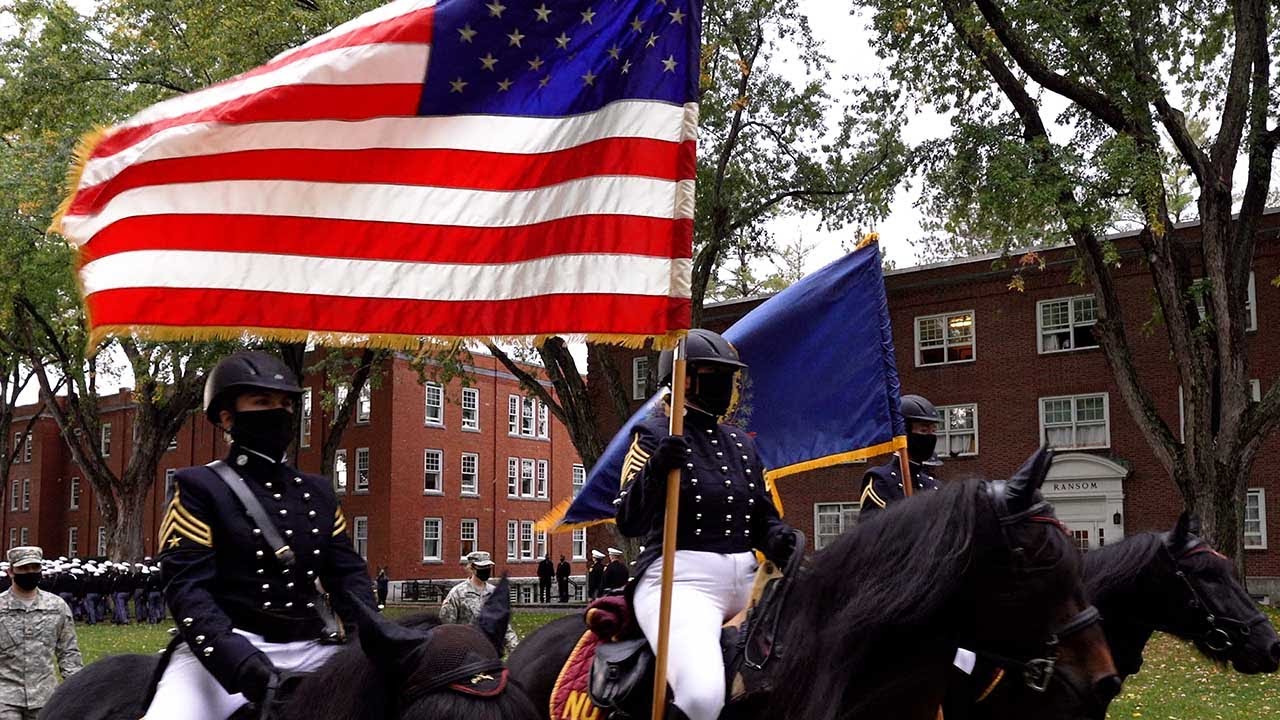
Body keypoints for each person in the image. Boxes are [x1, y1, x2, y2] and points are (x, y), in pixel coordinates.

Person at [143, 351, 376, 720]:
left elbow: (350, 577)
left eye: (285, 403)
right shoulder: (198, 487)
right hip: (226, 649)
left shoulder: (318, 492)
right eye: (262, 401)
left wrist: (371, 641)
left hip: (316, 644)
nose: (279, 412)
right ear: (226, 417)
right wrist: (238, 660)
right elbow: (187, 588)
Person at [615, 328, 796, 720]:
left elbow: (761, 517)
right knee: (701, 697)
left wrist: (779, 536)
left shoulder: (742, 443)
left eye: (729, 377)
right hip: (679, 579)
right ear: (686, 378)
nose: (727, 385)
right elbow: (628, 521)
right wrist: (656, 469)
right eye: (716, 374)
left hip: (749, 576)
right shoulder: (653, 436)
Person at [0, 547, 82, 719]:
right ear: (11, 571)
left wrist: (77, 690)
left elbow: (68, 653)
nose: (30, 572)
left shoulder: (57, 606)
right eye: (23, 568)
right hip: (5, 698)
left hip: (45, 697)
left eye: (34, 568)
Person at [857, 394, 943, 522]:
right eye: (924, 431)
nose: (930, 437)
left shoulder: (934, 485)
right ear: (903, 434)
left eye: (933, 431)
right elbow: (870, 535)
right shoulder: (882, 481)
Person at [439, 551, 518, 655]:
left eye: (488, 567)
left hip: (490, 652)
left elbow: (504, 627)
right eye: (482, 567)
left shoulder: (494, 593)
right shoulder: (458, 593)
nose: (486, 570)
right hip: (466, 653)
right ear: (472, 568)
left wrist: (517, 651)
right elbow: (446, 627)